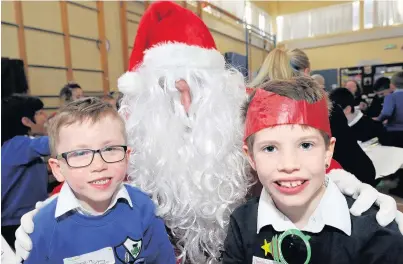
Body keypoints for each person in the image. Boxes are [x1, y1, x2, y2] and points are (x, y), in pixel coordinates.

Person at [14, 2, 403, 263]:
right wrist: (51, 211)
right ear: (139, 101)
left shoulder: (245, 123)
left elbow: (299, 148)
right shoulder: (133, 146)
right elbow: (91, 167)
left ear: (224, 88)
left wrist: (347, 186)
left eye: (197, 83)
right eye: (167, 86)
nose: (184, 99)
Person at [223, 76, 403, 264]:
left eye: (306, 145)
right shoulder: (242, 223)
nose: (289, 164)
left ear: (328, 152)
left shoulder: (375, 234)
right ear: (251, 157)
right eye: (270, 148)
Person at [23, 97, 175, 263]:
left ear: (126, 157)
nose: (99, 165)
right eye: (80, 153)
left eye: (110, 149)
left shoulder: (144, 207)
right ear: (58, 169)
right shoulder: (42, 227)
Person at [249, 48, 377, 186]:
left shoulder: (252, 109)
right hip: (328, 187)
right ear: (306, 72)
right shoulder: (322, 109)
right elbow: (354, 160)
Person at [1, 94, 49, 249]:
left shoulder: (14, 146)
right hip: (16, 224)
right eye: (40, 112)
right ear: (26, 121)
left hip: (19, 220)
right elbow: (56, 143)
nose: (45, 116)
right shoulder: (19, 144)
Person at [376, 71, 403, 148]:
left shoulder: (391, 97)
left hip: (394, 133)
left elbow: (386, 113)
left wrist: (377, 119)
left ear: (392, 85)